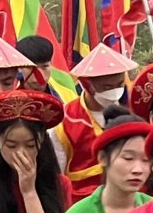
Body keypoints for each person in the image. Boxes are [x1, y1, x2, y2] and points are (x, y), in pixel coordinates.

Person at [56, 42, 139, 192]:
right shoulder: (65, 122)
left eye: (120, 85)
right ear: (87, 84)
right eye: (107, 87)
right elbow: (57, 177)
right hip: (82, 201)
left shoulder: (134, 112)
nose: (115, 91)